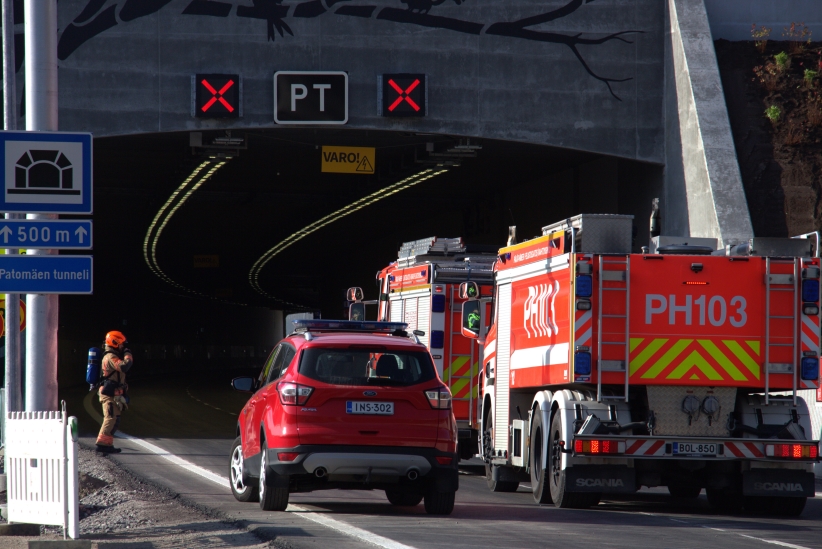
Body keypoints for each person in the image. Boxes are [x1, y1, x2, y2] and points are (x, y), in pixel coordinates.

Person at [96, 330, 133, 454]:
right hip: (108, 394)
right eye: (121, 344)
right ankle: (101, 444)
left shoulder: (112, 356)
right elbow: (124, 366)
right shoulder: (110, 357)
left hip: (114, 393)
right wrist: (128, 354)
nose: (123, 347)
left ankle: (107, 444)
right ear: (115, 343)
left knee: (114, 419)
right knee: (110, 418)